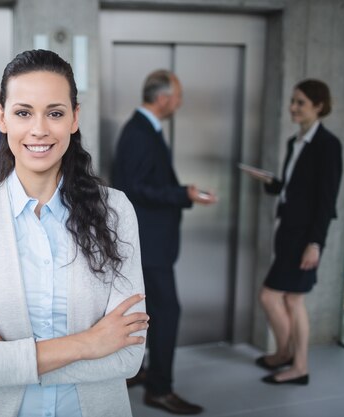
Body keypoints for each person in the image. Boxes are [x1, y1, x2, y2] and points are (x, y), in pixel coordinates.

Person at [0, 49, 148, 417]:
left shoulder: (115, 211)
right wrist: (90, 343)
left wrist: (5, 354)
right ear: (2, 118)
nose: (39, 130)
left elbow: (127, 357)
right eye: (23, 113)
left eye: (55, 113)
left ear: (74, 118)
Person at [112, 69, 216, 415]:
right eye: (178, 95)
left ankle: (140, 370)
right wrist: (182, 193)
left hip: (152, 241)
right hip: (150, 244)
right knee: (166, 312)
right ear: (163, 98)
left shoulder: (144, 129)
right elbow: (136, 189)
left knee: (149, 311)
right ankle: (160, 389)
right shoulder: (140, 133)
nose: (180, 102)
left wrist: (181, 193)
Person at [245, 79, 342, 385]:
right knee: (288, 300)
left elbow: (326, 200)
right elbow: (294, 189)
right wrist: (272, 183)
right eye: (292, 101)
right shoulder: (294, 142)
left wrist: (315, 243)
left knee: (276, 298)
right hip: (287, 231)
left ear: (319, 106)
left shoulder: (328, 146)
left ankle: (293, 361)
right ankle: (288, 358)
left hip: (305, 237)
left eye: (300, 102)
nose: (293, 107)